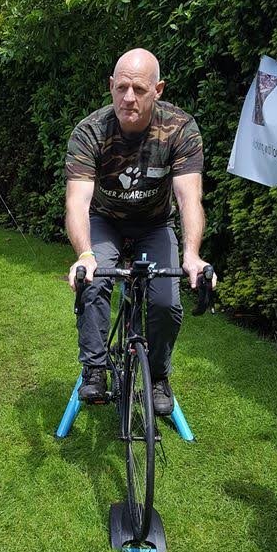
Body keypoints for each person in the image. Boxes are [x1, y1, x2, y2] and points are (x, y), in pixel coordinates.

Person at [66, 48, 213, 416]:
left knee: (166, 302)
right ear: (111, 86)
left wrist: (192, 255)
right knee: (94, 281)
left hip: (154, 224)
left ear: (158, 90)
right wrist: (85, 255)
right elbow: (77, 202)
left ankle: (158, 375)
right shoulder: (90, 131)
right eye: (122, 87)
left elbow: (189, 197)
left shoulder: (180, 128)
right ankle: (94, 368)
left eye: (140, 89)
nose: (129, 97)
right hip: (105, 221)